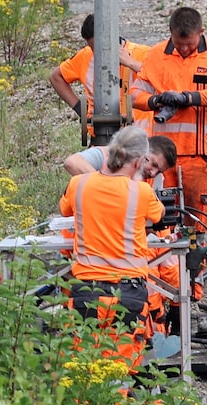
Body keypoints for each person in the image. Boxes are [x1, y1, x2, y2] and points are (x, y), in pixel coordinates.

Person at [59, 126, 165, 373]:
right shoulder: (141, 191)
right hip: (128, 293)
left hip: (86, 289)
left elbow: (64, 209)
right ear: (139, 161)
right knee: (119, 373)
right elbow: (159, 214)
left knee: (83, 370)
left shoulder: (78, 184)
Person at [131, 6, 207, 234]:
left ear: (202, 32)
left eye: (189, 43)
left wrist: (189, 98)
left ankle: (199, 268)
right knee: (159, 219)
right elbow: (135, 94)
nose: (185, 48)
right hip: (162, 158)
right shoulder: (156, 55)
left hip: (200, 157)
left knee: (199, 223)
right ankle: (161, 267)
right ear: (170, 32)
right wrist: (156, 100)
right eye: (180, 44)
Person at [50, 14, 153, 142]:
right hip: (101, 137)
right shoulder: (85, 56)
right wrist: (80, 109)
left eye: (101, 49)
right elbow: (56, 77)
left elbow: (161, 79)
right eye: (93, 48)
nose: (97, 54)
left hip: (140, 140)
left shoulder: (142, 53)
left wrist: (131, 63)